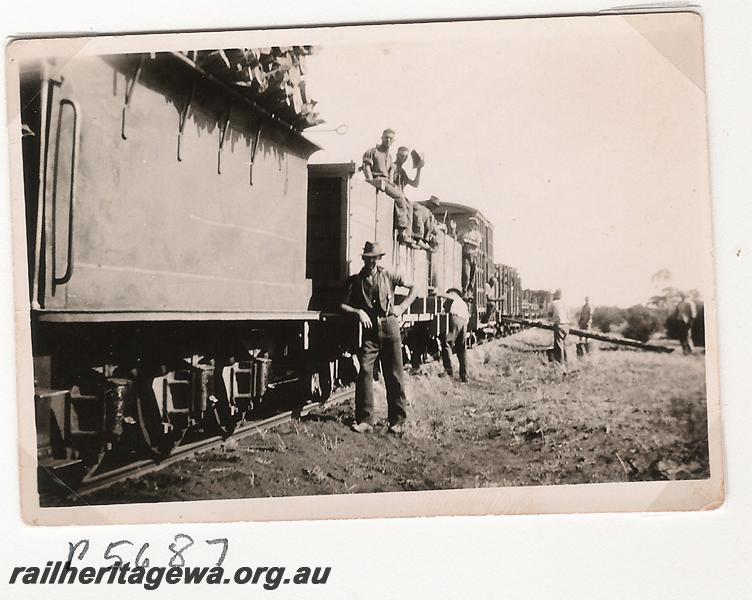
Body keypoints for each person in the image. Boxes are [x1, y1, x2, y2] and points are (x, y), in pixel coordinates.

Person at [341, 241, 418, 434]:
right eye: (368, 259)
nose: (371, 262)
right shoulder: (357, 280)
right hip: (370, 332)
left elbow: (414, 288)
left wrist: (402, 307)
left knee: (394, 373)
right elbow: (342, 305)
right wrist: (358, 311)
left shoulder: (389, 274)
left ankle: (397, 422)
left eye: (374, 258)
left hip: (390, 326)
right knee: (365, 371)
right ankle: (365, 420)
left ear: (378, 259)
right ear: (364, 259)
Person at [362, 131, 416, 246]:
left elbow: (390, 173)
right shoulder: (372, 151)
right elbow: (366, 167)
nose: (388, 140)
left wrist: (392, 184)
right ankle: (402, 232)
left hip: (386, 182)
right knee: (400, 197)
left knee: (407, 203)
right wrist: (371, 181)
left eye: (391, 139)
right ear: (381, 137)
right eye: (386, 137)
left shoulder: (389, 156)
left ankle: (408, 233)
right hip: (378, 179)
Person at [437, 288, 469, 382]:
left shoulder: (454, 296)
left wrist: (437, 292)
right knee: (462, 349)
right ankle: (464, 376)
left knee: (446, 343)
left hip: (455, 319)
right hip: (464, 323)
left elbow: (446, 302)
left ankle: (448, 372)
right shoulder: (463, 303)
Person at [550, 288, 571, 372]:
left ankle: (560, 365)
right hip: (566, 325)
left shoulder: (554, 303)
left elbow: (550, 313)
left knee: (558, 345)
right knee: (564, 345)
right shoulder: (566, 303)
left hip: (559, 324)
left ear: (556, 295)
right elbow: (569, 315)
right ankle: (566, 363)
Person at [461, 217, 483, 297]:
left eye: (473, 224)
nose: (471, 225)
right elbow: (457, 238)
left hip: (474, 256)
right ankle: (464, 291)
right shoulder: (464, 233)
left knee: (472, 275)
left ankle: (470, 292)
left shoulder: (477, 234)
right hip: (466, 255)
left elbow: (478, 244)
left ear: (475, 226)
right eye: (470, 223)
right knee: (466, 274)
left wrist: (468, 241)